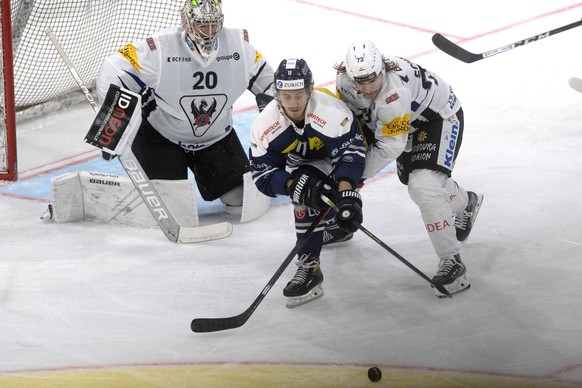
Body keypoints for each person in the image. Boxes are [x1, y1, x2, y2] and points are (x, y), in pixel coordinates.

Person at [335, 40, 483, 297]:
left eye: (372, 80)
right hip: (407, 122)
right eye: (360, 81)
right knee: (423, 186)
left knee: (423, 186)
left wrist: (352, 178)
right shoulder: (345, 84)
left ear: (382, 69)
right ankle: (465, 203)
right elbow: (354, 124)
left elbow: (390, 146)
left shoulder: (393, 94)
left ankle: (452, 262)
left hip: (438, 118)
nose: (367, 88)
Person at [95, 0, 275, 209]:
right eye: (202, 24)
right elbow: (114, 68)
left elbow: (270, 83)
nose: (208, 32)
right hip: (162, 139)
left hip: (216, 137)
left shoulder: (239, 47)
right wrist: (112, 121)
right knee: (167, 206)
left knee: (241, 199)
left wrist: (273, 122)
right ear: (187, 22)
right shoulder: (159, 48)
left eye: (214, 24)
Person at [249, 58, 366, 308]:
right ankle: (311, 267)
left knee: (324, 193)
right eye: (286, 95)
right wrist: (291, 185)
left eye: (299, 95)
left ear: (310, 90)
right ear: (276, 93)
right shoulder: (264, 126)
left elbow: (351, 155)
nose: (293, 103)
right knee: (303, 193)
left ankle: (336, 225)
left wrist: (346, 194)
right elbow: (262, 174)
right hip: (302, 164)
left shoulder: (333, 113)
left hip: (334, 157)